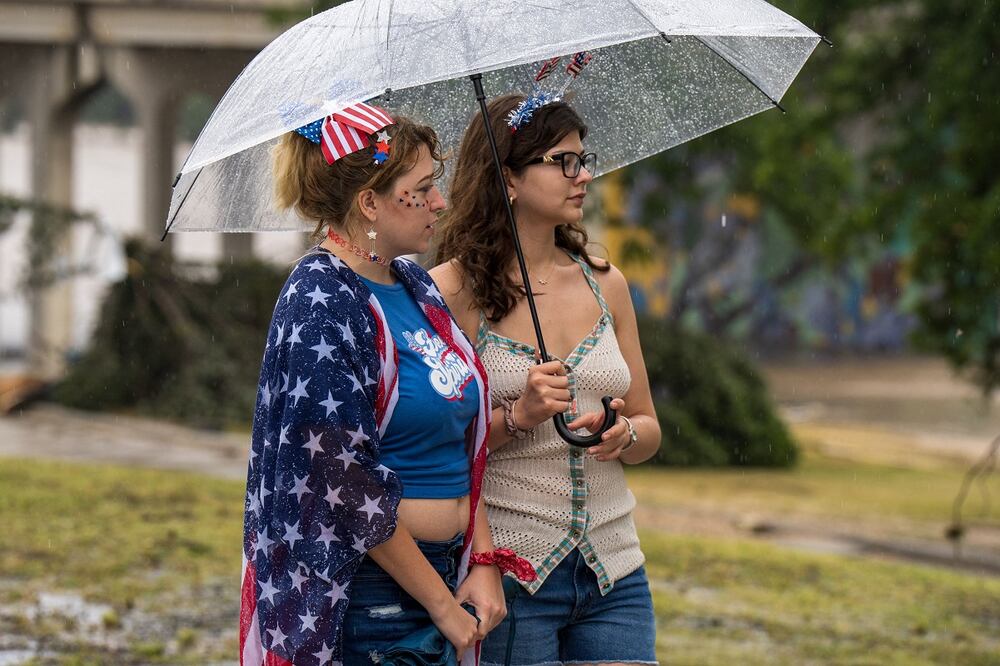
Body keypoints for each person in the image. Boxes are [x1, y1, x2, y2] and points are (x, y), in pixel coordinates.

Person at [240, 104, 509, 666]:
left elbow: (462, 440)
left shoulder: (414, 285)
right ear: (370, 203)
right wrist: (438, 605)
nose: (440, 202)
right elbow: (344, 480)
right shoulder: (320, 302)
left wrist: (481, 562)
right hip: (370, 596)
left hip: (448, 576)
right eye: (424, 188)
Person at [431, 93, 662, 665]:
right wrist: (518, 415)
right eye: (563, 161)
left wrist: (623, 435)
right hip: (513, 572)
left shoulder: (605, 283)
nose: (583, 175)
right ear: (508, 178)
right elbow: (434, 448)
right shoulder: (450, 292)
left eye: (583, 159)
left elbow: (649, 426)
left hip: (615, 571)